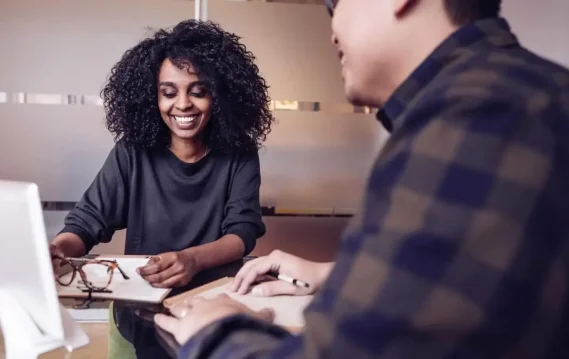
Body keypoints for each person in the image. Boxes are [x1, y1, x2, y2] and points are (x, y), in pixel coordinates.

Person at [154, 0, 569, 358]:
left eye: (335, 4)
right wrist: (329, 273)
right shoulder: (527, 95)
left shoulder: (476, 118)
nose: (332, 29)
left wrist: (215, 332)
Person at [50, 20, 274, 289]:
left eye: (199, 92)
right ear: (151, 98)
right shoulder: (131, 151)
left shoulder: (240, 153)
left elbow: (242, 233)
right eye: (168, 93)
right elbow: (87, 222)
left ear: (219, 96)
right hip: (140, 303)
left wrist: (192, 260)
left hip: (212, 302)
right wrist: (58, 249)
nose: (182, 104)